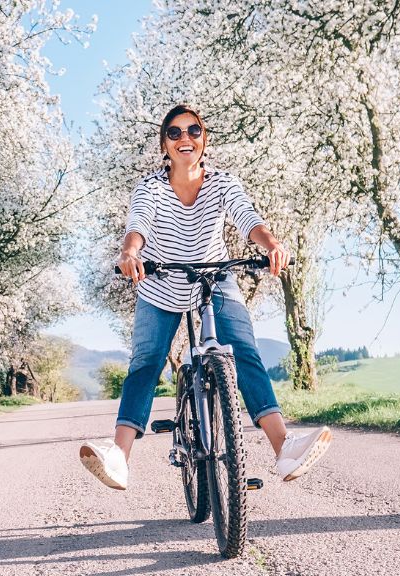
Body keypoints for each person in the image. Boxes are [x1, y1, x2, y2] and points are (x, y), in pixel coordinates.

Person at [79, 104, 332, 490]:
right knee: (145, 363)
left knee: (243, 350)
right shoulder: (150, 188)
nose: (185, 138)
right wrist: (130, 253)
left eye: (193, 131)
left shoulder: (223, 183)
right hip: (161, 283)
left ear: (204, 139)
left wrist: (271, 243)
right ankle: (119, 457)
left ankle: (285, 449)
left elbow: (248, 218)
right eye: (175, 133)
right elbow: (138, 225)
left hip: (213, 280)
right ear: (164, 144)